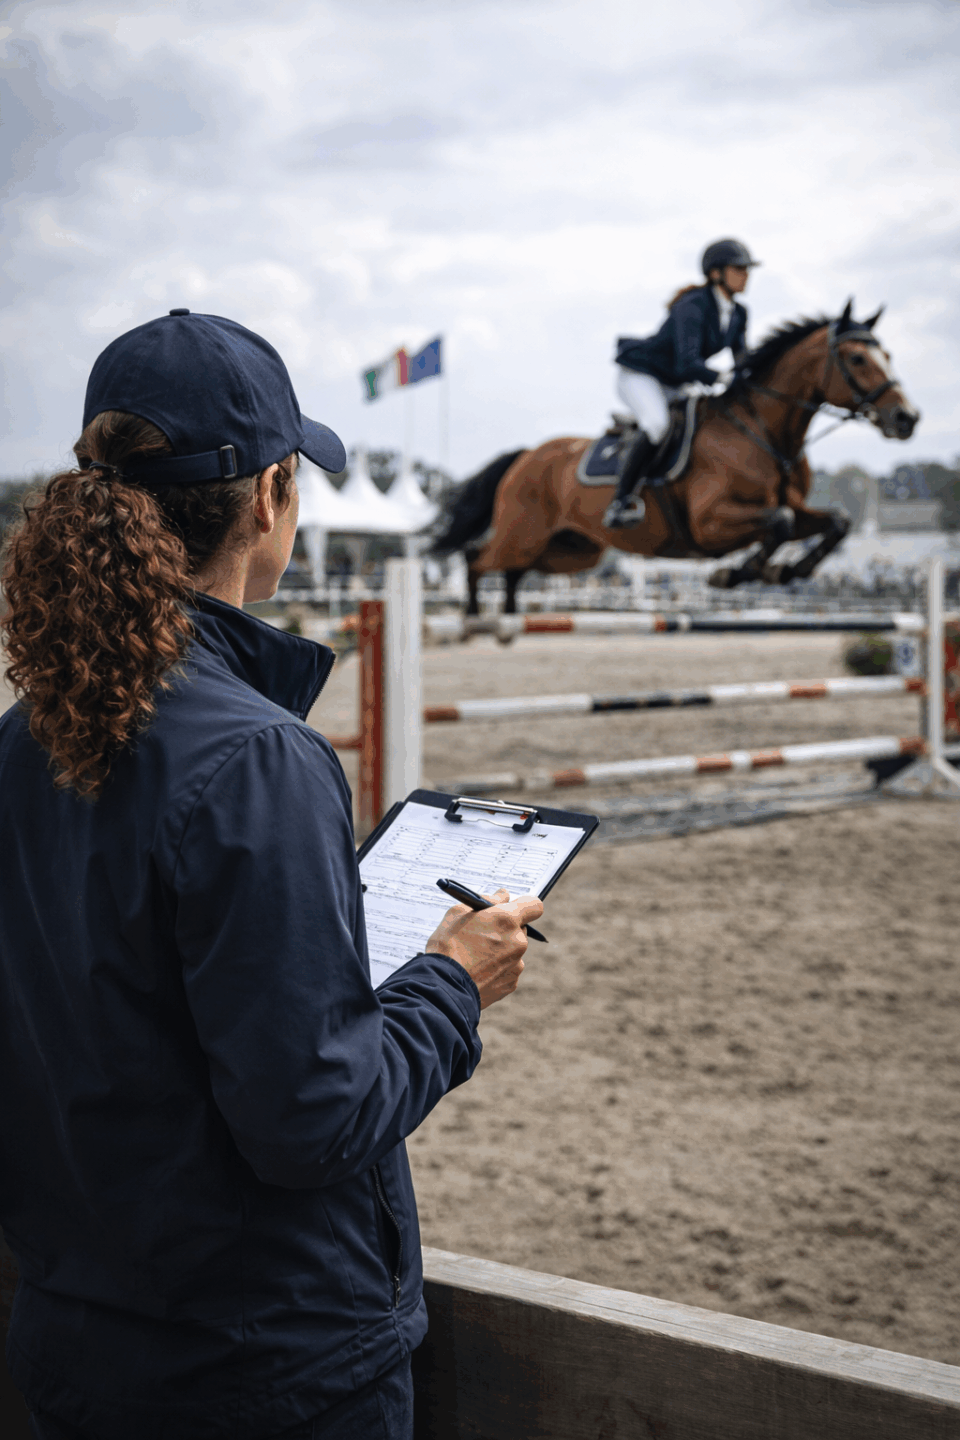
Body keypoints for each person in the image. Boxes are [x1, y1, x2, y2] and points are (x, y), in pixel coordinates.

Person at [0, 310, 542, 1440]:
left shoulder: (21, 735)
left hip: (74, 1339)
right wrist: (450, 983)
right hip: (265, 1368)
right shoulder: (258, 756)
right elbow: (312, 1118)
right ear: (272, 495)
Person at [603, 238, 760, 529]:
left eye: (747, 269)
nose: (746, 275)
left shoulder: (739, 314)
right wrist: (722, 377)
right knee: (657, 425)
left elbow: (741, 358)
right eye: (739, 269)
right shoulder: (692, 306)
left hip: (677, 381)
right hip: (642, 375)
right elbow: (686, 362)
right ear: (716, 274)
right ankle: (620, 501)